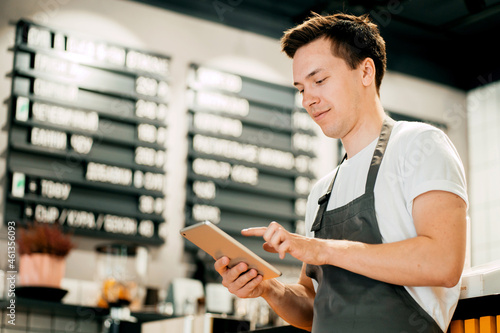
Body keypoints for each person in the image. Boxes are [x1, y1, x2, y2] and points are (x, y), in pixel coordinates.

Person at [214, 12, 468, 333]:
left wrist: (323, 249)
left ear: (365, 71)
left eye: (319, 81)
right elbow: (313, 308)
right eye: (300, 88)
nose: (308, 99)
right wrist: (267, 287)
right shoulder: (323, 191)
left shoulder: (420, 145)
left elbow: (443, 262)